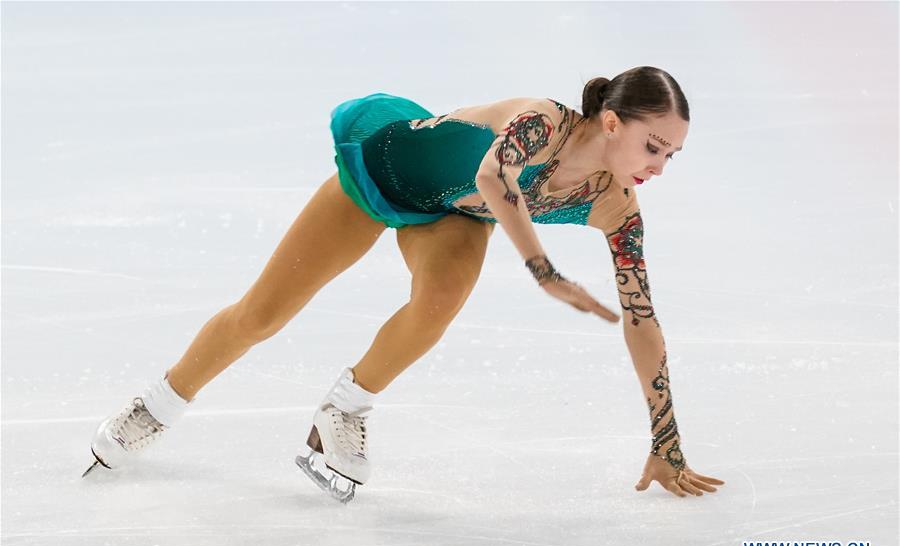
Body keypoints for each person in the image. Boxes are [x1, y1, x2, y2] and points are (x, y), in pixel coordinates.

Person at [82, 65, 725, 503]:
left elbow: (642, 320)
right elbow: (492, 180)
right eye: (655, 147)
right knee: (263, 315)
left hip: (452, 218)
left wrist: (665, 440)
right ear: (613, 124)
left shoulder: (616, 204)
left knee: (440, 300)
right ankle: (158, 404)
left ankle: (346, 406)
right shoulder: (544, 123)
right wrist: (544, 271)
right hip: (387, 174)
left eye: (672, 155)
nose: (660, 167)